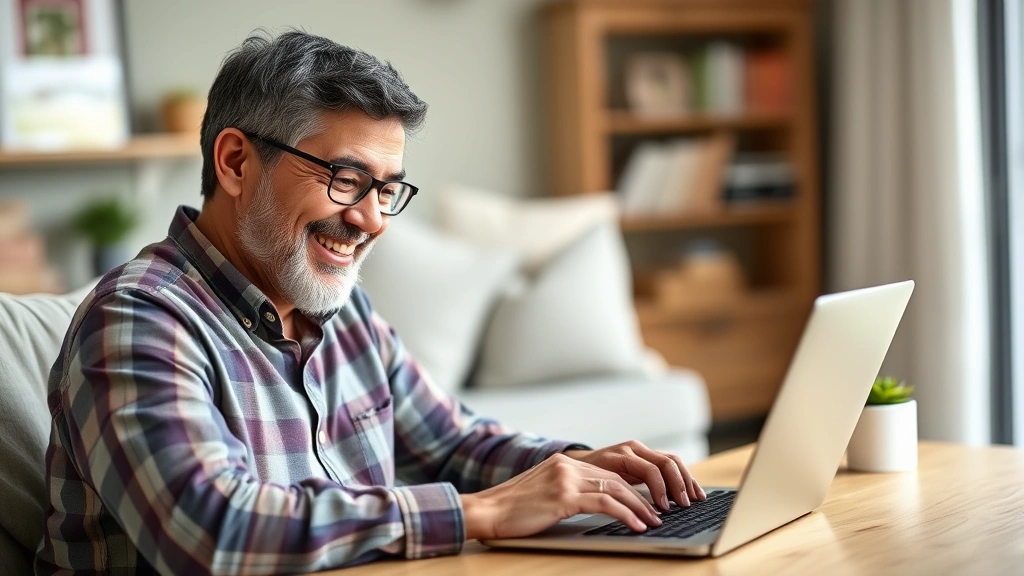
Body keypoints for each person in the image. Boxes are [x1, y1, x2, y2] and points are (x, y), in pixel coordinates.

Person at [35, 31, 704, 575]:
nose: (373, 220)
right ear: (236, 162)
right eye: (347, 178)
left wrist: (579, 469)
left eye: (386, 189)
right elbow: (210, 531)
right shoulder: (139, 319)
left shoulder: (340, 309)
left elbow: (451, 443)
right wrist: (481, 513)